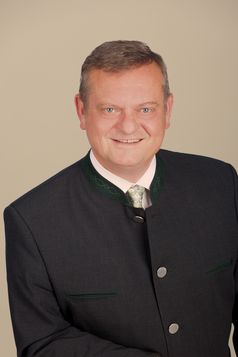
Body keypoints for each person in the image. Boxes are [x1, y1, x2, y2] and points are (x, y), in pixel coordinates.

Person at [4, 40, 238, 357]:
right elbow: (41, 342)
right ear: (82, 111)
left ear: (167, 110)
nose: (128, 125)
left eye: (145, 108)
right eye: (110, 109)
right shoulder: (32, 220)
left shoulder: (220, 183)